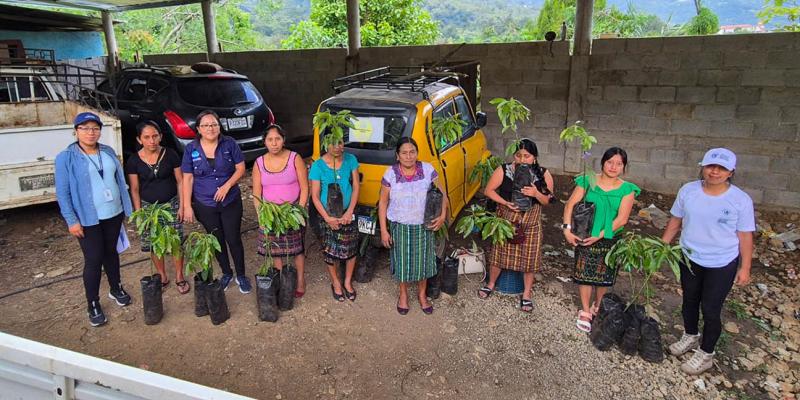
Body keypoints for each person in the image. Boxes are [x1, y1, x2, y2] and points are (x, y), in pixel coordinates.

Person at [661, 148, 754, 375]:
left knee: (711, 308)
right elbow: (676, 220)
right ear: (703, 166)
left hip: (721, 263)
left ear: (731, 172)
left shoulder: (739, 200)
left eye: (721, 168)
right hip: (690, 257)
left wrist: (745, 267)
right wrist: (662, 245)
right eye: (711, 166)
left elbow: (745, 235)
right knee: (689, 300)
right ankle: (690, 336)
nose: (715, 172)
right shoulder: (689, 190)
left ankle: (706, 353)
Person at [55, 112, 133, 327]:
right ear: (76, 131)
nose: (91, 132)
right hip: (88, 218)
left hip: (113, 213)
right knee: (94, 259)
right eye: (85, 128)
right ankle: (93, 303)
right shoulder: (66, 157)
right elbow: (63, 192)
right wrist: (71, 220)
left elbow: (118, 180)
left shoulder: (107, 151)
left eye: (95, 128)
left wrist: (127, 208)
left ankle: (115, 288)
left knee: (112, 253)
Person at [562, 147, 639, 333]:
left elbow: (622, 219)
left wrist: (601, 234)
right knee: (585, 273)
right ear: (603, 162)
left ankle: (598, 306)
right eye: (610, 162)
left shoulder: (627, 189)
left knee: (604, 275)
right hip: (585, 233)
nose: (613, 167)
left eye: (619, 164)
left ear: (624, 167)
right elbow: (571, 204)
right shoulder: (587, 180)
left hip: (609, 238)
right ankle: (586, 310)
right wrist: (567, 229)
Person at [478, 138, 554, 313]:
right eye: (519, 155)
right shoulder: (504, 170)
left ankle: (526, 294)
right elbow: (488, 191)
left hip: (531, 223)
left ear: (534, 158)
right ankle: (490, 284)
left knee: (530, 259)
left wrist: (536, 192)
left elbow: (548, 201)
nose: (522, 159)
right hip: (506, 221)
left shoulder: (543, 174)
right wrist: (504, 202)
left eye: (527, 156)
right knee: (499, 253)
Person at [180, 110, 249, 293]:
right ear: (199, 129)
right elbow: (187, 178)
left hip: (230, 201)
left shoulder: (229, 144)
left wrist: (227, 186)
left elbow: (240, 168)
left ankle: (241, 275)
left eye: (214, 124)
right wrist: (187, 206)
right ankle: (227, 273)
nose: (210, 128)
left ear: (219, 126)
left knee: (233, 238)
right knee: (216, 239)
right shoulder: (191, 149)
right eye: (206, 125)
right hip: (205, 204)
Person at [378, 138, 448, 315]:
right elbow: (383, 202)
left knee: (423, 262)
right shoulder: (390, 174)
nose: (408, 156)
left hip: (424, 225)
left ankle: (422, 295)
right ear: (397, 155)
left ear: (417, 153)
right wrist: (384, 230)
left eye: (412, 152)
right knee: (402, 263)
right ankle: (403, 296)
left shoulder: (428, 170)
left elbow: (442, 194)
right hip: (400, 226)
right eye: (404, 152)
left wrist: (442, 216)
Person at [126, 121, 188, 294]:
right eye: (146, 137)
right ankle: (162, 275)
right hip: (148, 209)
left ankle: (179, 276)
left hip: (171, 204)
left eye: (155, 136)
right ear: (139, 139)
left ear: (160, 136)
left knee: (175, 242)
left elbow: (181, 181)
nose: (152, 140)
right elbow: (135, 189)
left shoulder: (171, 154)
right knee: (154, 243)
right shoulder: (133, 160)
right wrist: (140, 215)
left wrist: (182, 206)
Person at [252, 124, 309, 297]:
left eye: (277, 139)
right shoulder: (259, 163)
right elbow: (256, 194)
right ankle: (282, 278)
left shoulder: (295, 158)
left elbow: (304, 187)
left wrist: (299, 210)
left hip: (292, 212)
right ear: (265, 142)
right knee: (275, 249)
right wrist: (261, 216)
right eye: (270, 139)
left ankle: (300, 280)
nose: (274, 143)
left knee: (297, 249)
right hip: (271, 214)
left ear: (283, 140)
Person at [309, 135, 360, 302]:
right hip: (327, 214)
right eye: (333, 143)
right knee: (330, 251)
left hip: (347, 212)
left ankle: (347, 281)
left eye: (340, 142)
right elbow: (315, 197)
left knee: (351, 248)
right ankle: (336, 283)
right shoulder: (318, 166)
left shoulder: (351, 160)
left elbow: (356, 188)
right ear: (325, 144)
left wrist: (349, 211)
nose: (337, 146)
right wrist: (328, 218)